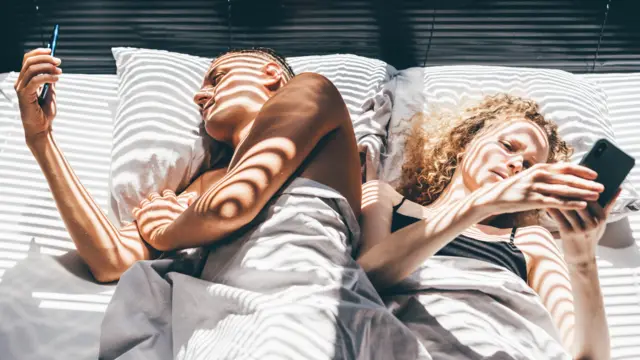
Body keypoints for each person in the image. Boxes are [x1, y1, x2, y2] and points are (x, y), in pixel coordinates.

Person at [15, 47, 427, 359]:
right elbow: (111, 260)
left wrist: (170, 229)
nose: (200, 94)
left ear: (269, 75)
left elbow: (231, 207)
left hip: (302, 307)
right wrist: (41, 140)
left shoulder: (312, 93)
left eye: (218, 77)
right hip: (215, 325)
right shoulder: (203, 184)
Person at [357, 94, 615, 359]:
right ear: (466, 142)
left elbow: (587, 356)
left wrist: (583, 261)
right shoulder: (387, 198)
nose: (516, 164)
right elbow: (364, 279)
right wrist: (482, 203)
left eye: (528, 166)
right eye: (507, 146)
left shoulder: (530, 240)